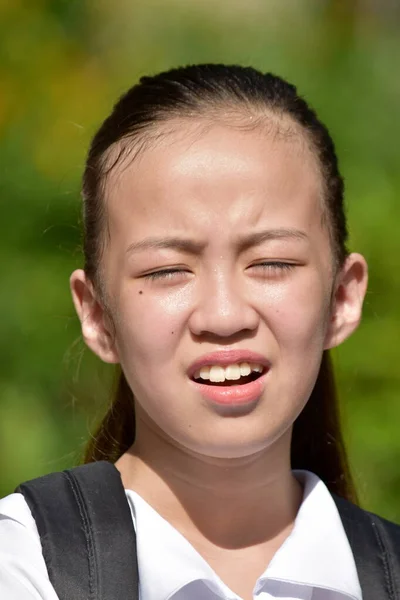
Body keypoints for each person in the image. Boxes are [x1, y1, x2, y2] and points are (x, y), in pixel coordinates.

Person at [0, 63, 396, 600]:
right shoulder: (24, 566)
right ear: (96, 314)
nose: (225, 314)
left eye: (272, 262)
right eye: (166, 270)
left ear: (343, 297)